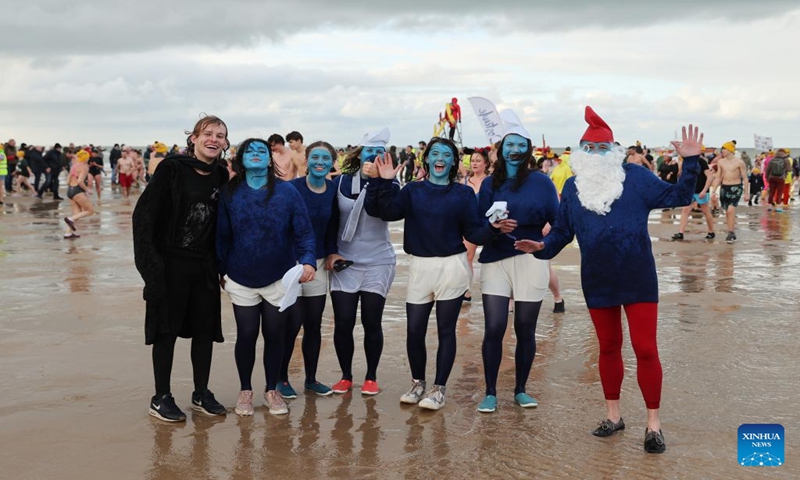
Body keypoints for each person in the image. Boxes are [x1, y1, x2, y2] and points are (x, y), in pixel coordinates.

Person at [517, 106, 703, 454]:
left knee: (646, 349)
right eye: (590, 149)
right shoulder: (573, 188)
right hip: (597, 278)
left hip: (638, 276)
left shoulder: (636, 177)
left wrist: (690, 162)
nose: (597, 155)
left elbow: (678, 196)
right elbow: (561, 233)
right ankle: (613, 416)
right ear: (580, 153)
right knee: (607, 347)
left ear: (615, 151)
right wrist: (541, 247)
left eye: (603, 148)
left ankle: (653, 424)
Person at [366, 137, 492, 411]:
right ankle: (417, 383)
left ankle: (438, 389)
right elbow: (385, 212)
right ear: (427, 160)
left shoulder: (463, 194)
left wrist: (494, 227)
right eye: (434, 153)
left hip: (452, 266)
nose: (440, 158)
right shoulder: (412, 190)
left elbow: (473, 233)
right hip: (420, 266)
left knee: (446, 330)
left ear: (453, 162)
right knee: (414, 330)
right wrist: (383, 181)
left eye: (446, 154)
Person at [132, 115, 231, 423]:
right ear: (194, 138)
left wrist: (223, 266)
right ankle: (161, 397)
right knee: (166, 331)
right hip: (170, 263)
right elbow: (143, 218)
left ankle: (201, 392)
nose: (214, 139)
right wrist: (151, 269)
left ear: (226, 143)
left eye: (220, 135)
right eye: (208, 134)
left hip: (203, 265)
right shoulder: (172, 170)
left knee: (204, 331)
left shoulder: (222, 177)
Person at [217, 137, 317, 416]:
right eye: (250, 151)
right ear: (241, 159)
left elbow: (304, 232)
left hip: (279, 277)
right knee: (246, 334)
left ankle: (272, 389)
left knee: (275, 334)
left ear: (270, 158)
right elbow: (222, 236)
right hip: (240, 275)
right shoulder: (228, 193)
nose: (257, 154)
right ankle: (245, 391)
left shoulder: (287, 192)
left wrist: (308, 261)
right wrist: (220, 270)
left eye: (262, 150)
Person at [474, 113, 559, 414]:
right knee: (495, 327)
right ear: (500, 149)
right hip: (495, 260)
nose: (514, 149)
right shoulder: (488, 185)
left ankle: (521, 389)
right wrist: (494, 229)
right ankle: (490, 392)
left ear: (528, 151)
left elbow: (558, 223)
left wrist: (543, 245)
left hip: (530, 259)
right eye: (509, 144)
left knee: (525, 328)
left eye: (520, 145)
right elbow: (477, 228)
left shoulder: (542, 183)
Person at [325, 127, 396, 396]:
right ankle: (345, 376)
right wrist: (331, 252)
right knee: (343, 321)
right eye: (370, 150)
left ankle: (371, 377)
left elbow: (387, 213)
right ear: (360, 153)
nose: (375, 155)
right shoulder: (341, 182)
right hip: (345, 261)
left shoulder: (392, 183)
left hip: (379, 261)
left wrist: (380, 181)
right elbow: (331, 222)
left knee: (371, 320)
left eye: (380, 151)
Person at [278, 141, 341, 400]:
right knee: (291, 325)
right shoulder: (291, 189)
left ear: (331, 162)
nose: (319, 162)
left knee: (313, 325)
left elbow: (333, 227)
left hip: (318, 264)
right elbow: (280, 225)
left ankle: (311, 379)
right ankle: (281, 379)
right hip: (291, 265)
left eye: (325, 158)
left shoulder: (332, 191)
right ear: (306, 159)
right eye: (315, 157)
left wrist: (333, 252)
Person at [461, 146, 491, 301]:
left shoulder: (492, 181)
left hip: (489, 224)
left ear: (485, 163)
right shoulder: (464, 181)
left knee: (493, 259)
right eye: (472, 160)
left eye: (478, 160)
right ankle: (467, 290)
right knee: (467, 256)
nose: (474, 163)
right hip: (470, 224)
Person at [672, 151, 715, 240]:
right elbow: (682, 176)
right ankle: (680, 233)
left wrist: (704, 190)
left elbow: (710, 177)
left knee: (705, 211)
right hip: (689, 190)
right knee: (685, 210)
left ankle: (711, 231)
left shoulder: (701, 161)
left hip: (701, 190)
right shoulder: (685, 161)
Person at [712, 142, 750, 242]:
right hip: (724, 188)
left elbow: (745, 178)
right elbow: (718, 177)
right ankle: (730, 231)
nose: (722, 151)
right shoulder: (720, 162)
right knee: (727, 212)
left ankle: (730, 233)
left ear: (730, 150)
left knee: (731, 210)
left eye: (724, 149)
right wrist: (714, 191)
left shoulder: (739, 162)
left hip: (736, 187)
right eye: (722, 149)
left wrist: (746, 193)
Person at [63, 149, 95, 238]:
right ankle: (70, 219)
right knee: (90, 211)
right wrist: (87, 190)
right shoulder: (84, 167)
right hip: (77, 190)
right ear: (85, 158)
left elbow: (67, 180)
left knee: (77, 213)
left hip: (70, 190)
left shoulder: (74, 166)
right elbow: (80, 181)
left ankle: (68, 233)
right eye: (88, 158)